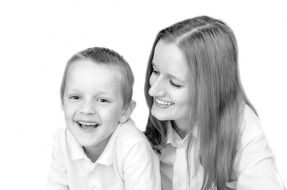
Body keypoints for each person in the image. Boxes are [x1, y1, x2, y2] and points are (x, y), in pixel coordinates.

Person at [144, 16, 285, 190]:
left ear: (210, 88)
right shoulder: (150, 131)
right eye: (155, 71)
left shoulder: (241, 127)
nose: (153, 91)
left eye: (175, 83)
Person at [47, 47, 160, 190]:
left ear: (125, 111)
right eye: (75, 97)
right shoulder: (62, 142)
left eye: (102, 100)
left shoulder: (133, 147)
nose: (87, 110)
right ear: (62, 102)